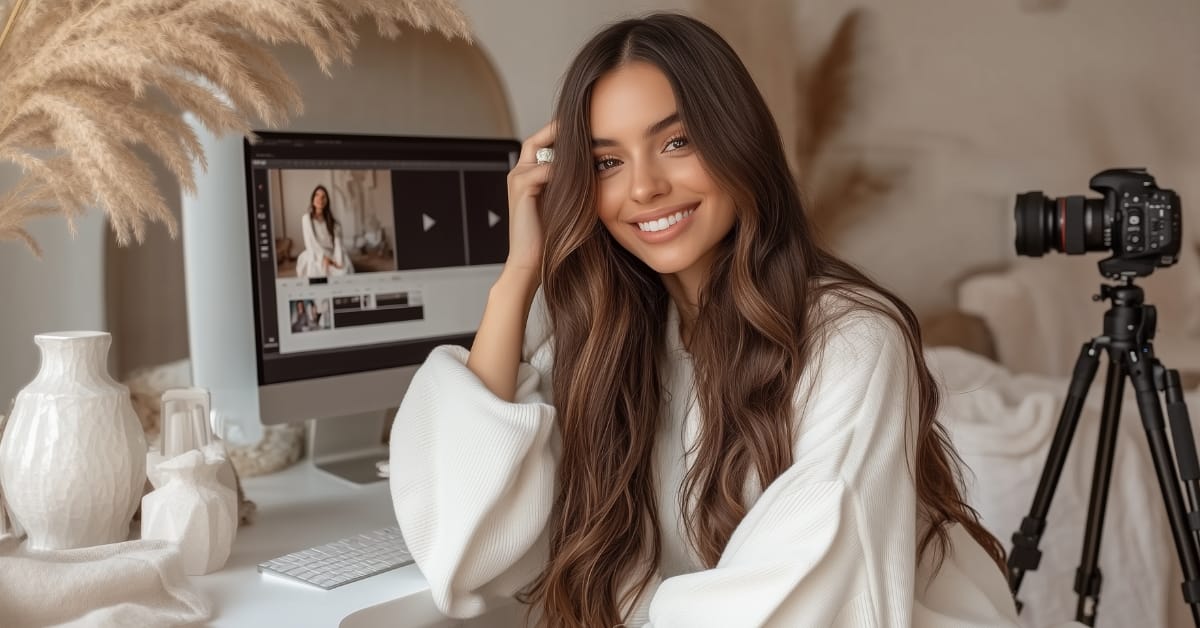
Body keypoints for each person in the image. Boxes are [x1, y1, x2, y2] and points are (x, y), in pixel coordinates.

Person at [389, 13, 1035, 627]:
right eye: (608, 162)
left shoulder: (851, 341)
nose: (643, 188)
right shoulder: (608, 335)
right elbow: (464, 549)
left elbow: (792, 601)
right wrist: (518, 273)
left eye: (677, 142)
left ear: (737, 144)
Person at [295, 184, 354, 278]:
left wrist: (338, 261)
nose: (320, 199)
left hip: (331, 253)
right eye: (317, 195)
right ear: (313, 199)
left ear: (327, 201)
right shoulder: (306, 219)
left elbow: (338, 244)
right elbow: (310, 243)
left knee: (343, 268)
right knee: (317, 269)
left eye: (323, 197)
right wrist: (323, 258)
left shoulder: (334, 223)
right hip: (315, 252)